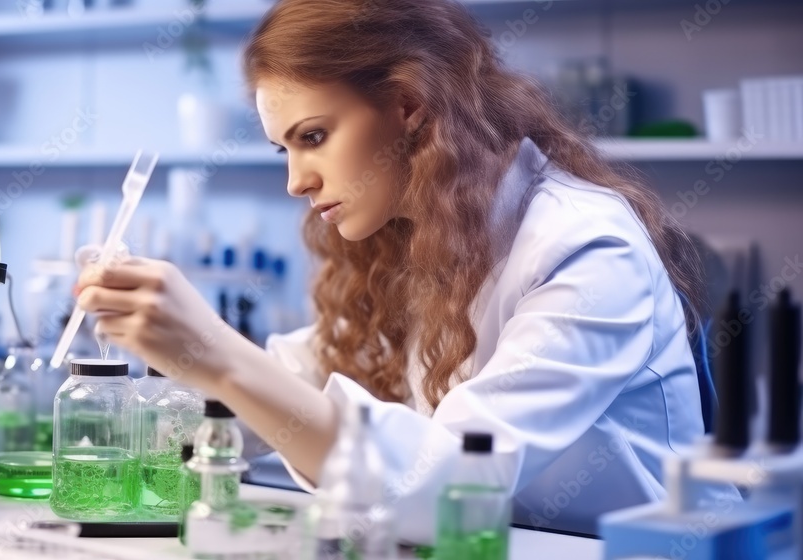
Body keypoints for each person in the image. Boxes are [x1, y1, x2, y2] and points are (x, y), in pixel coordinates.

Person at [75, 0, 712, 541]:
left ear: (407, 104)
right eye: (283, 148)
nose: (296, 182)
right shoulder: (417, 233)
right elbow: (299, 379)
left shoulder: (587, 245)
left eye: (314, 136)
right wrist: (149, 405)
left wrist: (213, 350)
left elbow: (453, 480)